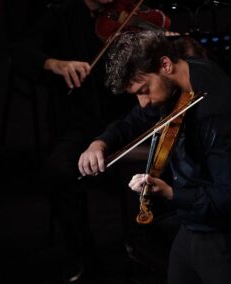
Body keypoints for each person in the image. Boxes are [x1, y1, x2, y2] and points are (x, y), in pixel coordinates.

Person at [79, 30, 231, 284]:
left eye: (144, 90)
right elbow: (138, 118)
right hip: (198, 222)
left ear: (165, 64)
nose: (143, 102)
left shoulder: (216, 116)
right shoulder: (186, 75)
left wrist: (170, 193)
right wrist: (101, 142)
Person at [11, 0, 138, 282]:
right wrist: (53, 63)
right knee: (57, 170)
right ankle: (82, 253)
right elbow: (21, 52)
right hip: (82, 123)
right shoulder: (60, 15)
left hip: (133, 116)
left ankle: (148, 245)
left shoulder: (131, 9)